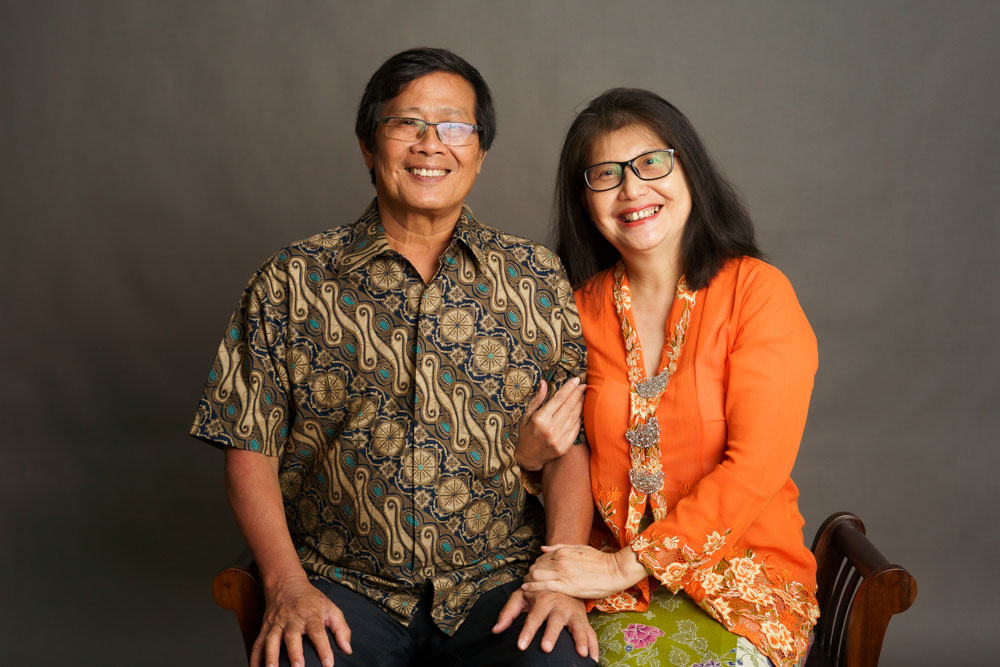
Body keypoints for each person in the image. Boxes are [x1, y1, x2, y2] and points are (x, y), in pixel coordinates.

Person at [190, 47, 598, 667]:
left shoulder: (534, 278)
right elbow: (248, 443)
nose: (431, 144)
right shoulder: (292, 281)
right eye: (406, 122)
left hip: (497, 582)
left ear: (480, 152)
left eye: (455, 126)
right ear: (366, 145)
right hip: (341, 585)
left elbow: (571, 445)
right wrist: (285, 584)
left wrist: (561, 578)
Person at [514, 88, 819, 666]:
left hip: (742, 585)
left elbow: (755, 469)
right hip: (609, 591)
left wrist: (621, 566)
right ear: (584, 200)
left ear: (690, 170)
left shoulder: (757, 294)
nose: (632, 190)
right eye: (605, 175)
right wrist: (528, 457)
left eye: (651, 163)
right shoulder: (573, 311)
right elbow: (561, 455)